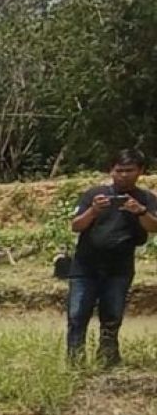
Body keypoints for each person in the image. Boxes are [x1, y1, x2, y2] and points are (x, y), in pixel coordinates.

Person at [67, 149, 157, 366]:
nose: (124, 175)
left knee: (112, 317)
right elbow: (76, 226)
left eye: (129, 170)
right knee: (77, 316)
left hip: (119, 268)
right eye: (119, 170)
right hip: (85, 267)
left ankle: (108, 361)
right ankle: (75, 363)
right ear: (111, 171)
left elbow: (154, 227)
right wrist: (93, 211)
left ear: (140, 171)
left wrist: (140, 211)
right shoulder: (94, 194)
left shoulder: (146, 198)